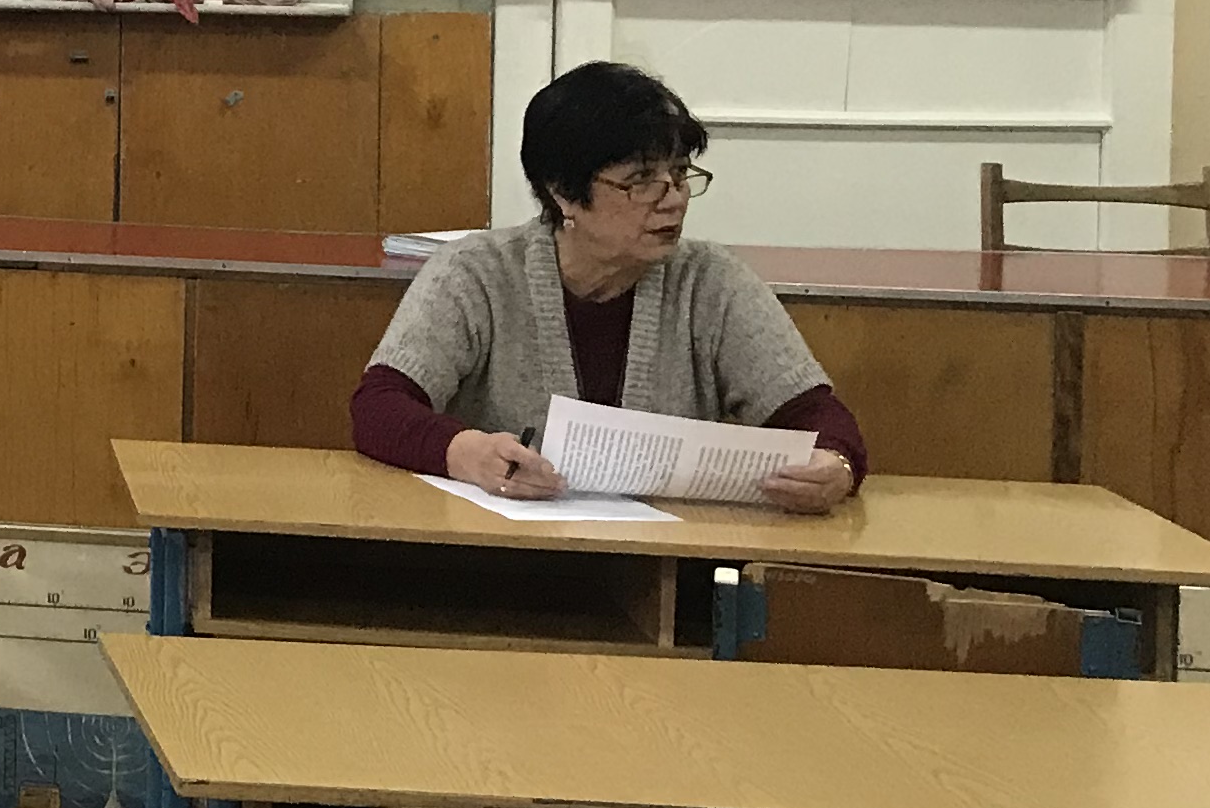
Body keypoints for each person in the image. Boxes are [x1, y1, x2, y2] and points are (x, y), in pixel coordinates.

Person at [355, 59, 866, 509]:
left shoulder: (710, 281)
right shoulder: (476, 273)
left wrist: (835, 467)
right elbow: (379, 406)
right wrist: (466, 452)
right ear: (563, 193)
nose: (674, 199)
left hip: (668, 552)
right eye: (641, 180)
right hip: (503, 553)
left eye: (679, 174)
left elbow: (815, 413)